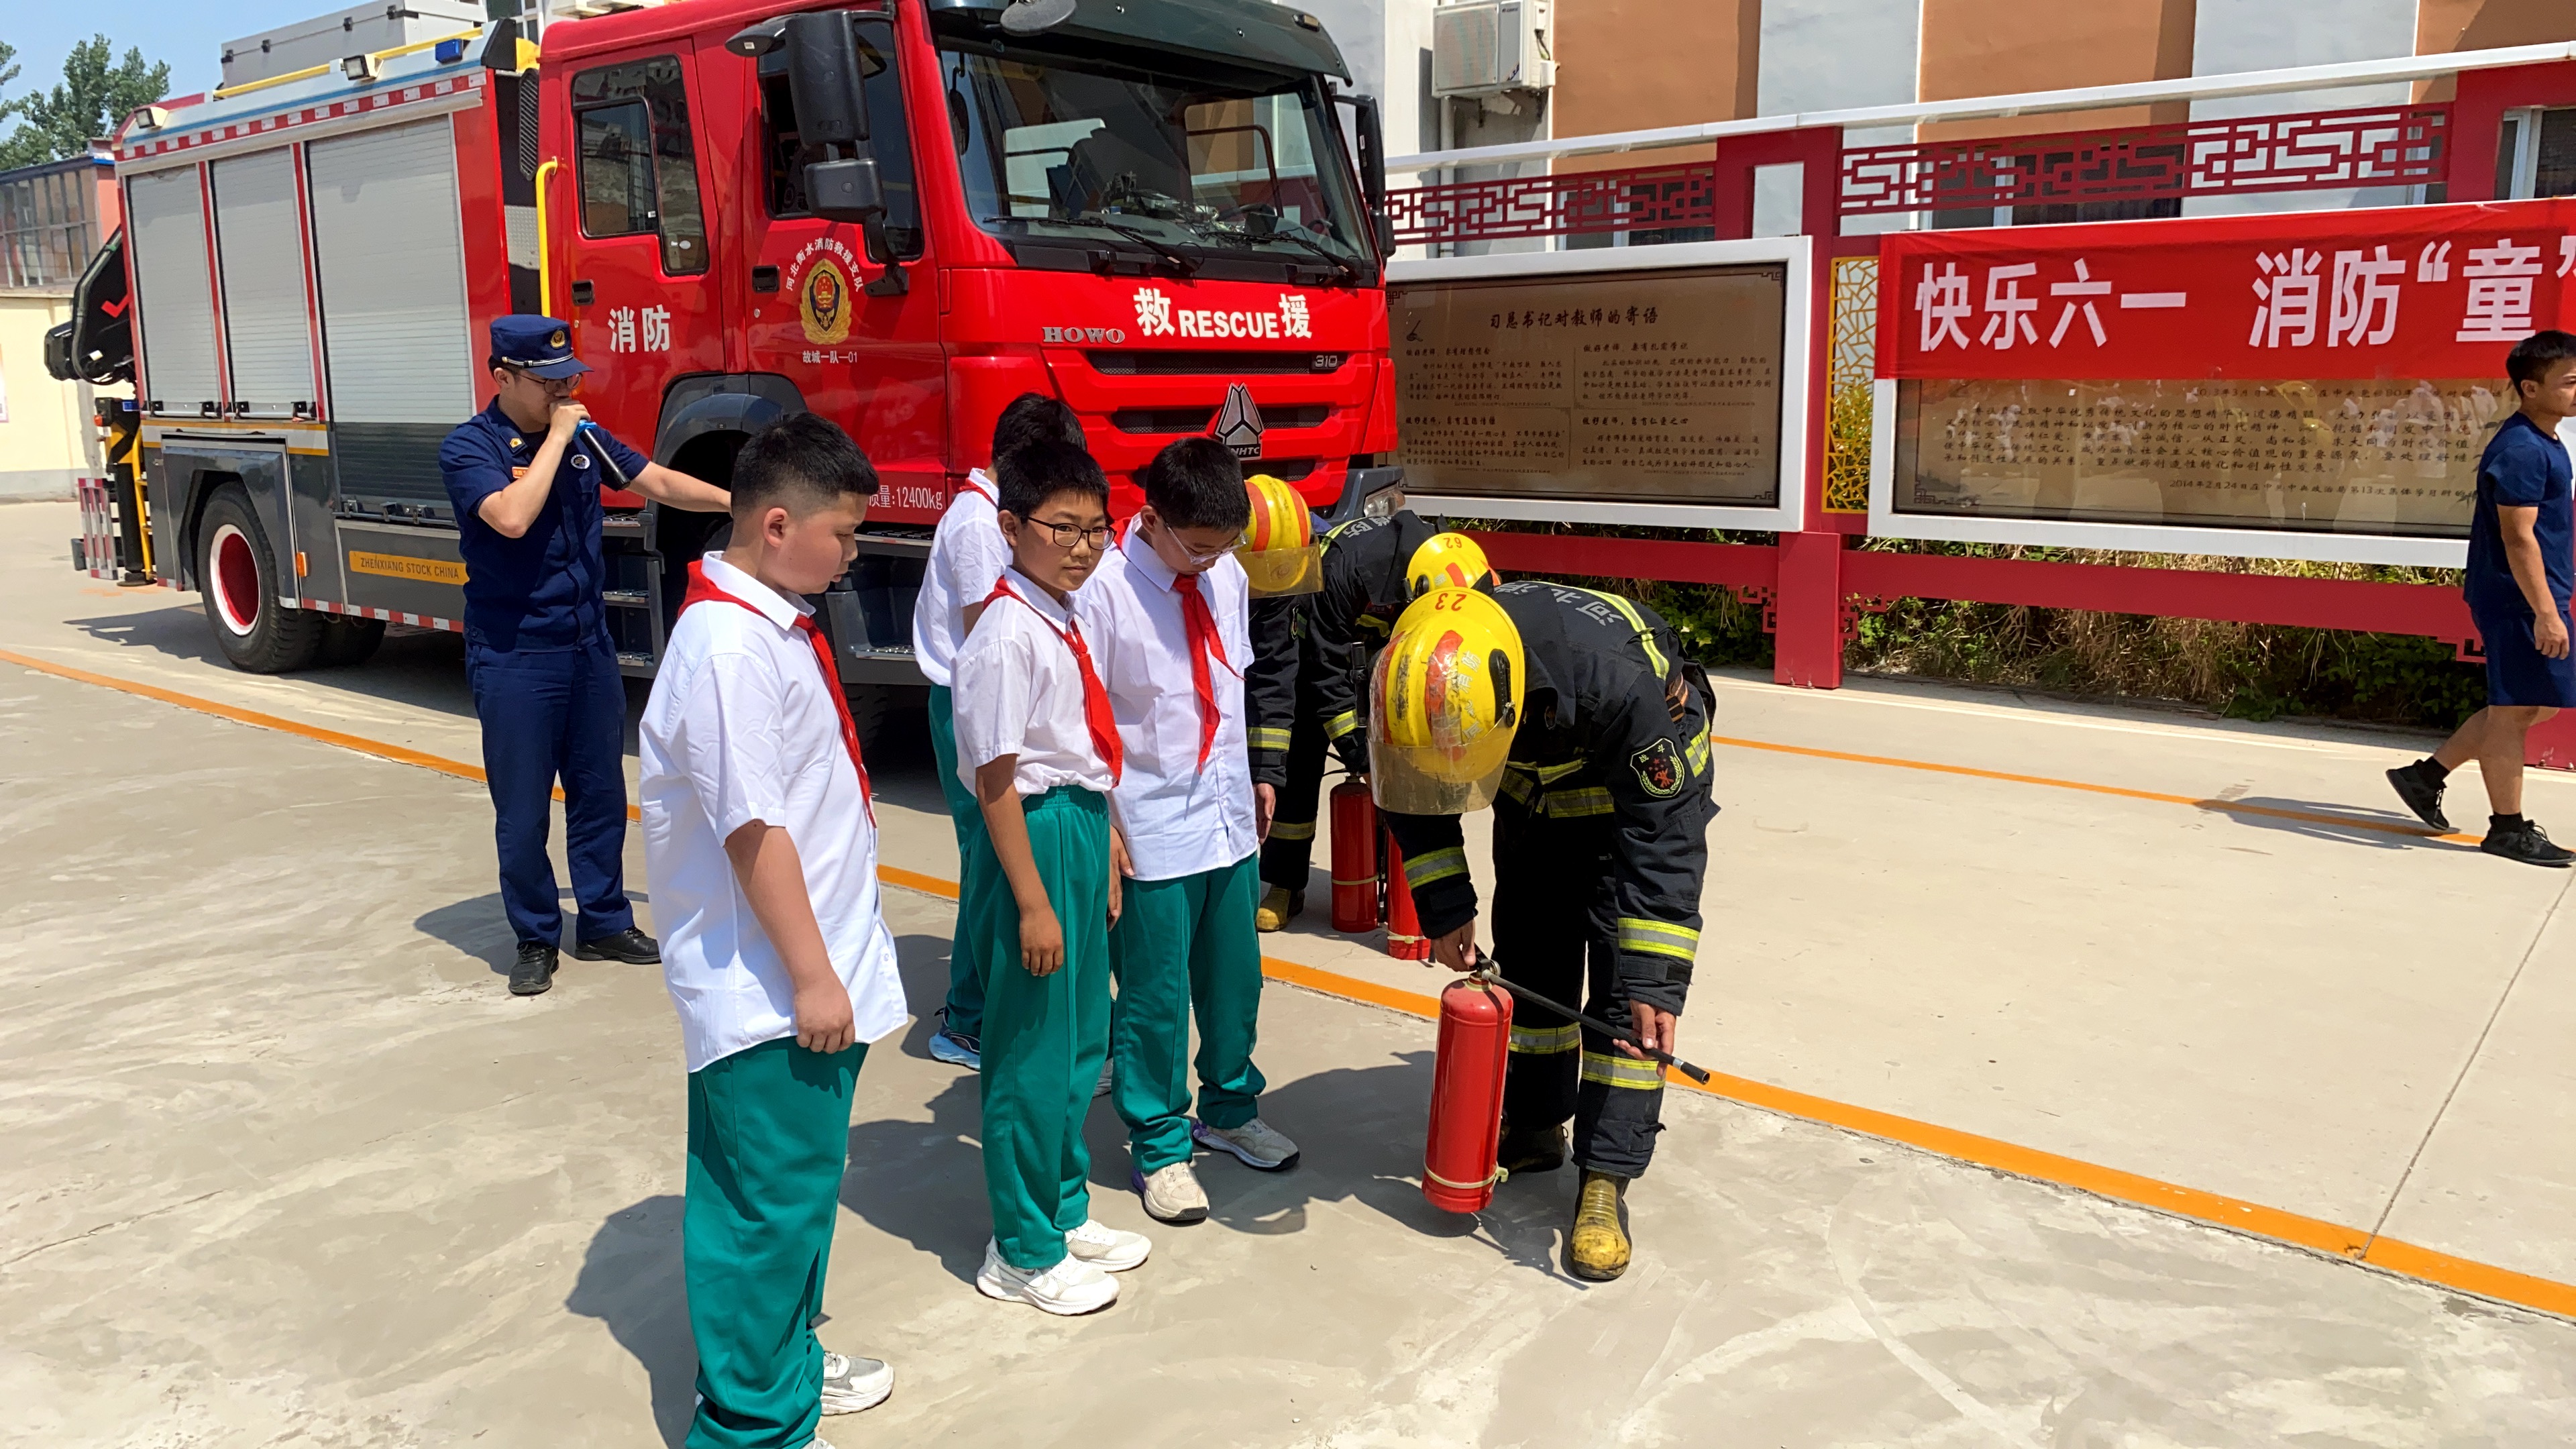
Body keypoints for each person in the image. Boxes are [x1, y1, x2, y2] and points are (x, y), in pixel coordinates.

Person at [637, 414, 908, 1448]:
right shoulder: (729, 651)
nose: (853, 554)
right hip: (771, 990)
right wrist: (812, 977)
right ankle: (752, 1425)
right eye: (844, 534)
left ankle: (781, 1365)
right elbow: (753, 830)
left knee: (790, 1197)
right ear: (779, 525)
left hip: (803, 972)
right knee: (767, 1208)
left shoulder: (770, 624)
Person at [1375, 580, 1716, 1281]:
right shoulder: (1413, 675)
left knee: (1625, 1001)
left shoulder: (1615, 684)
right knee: (1531, 957)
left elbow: (1664, 838)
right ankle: (1535, 1126)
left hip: (1636, 808)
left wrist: (1657, 980)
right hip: (1535, 801)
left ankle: (1605, 1177)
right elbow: (1412, 788)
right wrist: (1445, 901)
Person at [437, 315, 729, 996]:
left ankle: (603, 921)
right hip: (515, 652)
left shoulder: (583, 438)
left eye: (569, 378)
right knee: (523, 809)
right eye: (549, 382)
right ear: (503, 377)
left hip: (587, 645)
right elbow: (511, 517)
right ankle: (536, 936)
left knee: (599, 794)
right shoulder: (470, 447)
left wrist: (736, 502)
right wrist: (559, 439)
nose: (565, 391)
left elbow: (655, 480)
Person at [951, 438, 1150, 1314]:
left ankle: (1062, 1208)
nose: (1081, 546)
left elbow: (1078, 748)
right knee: (1030, 1051)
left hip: (1075, 823)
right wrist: (1033, 902)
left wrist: (1103, 843)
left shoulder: (1060, 613)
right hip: (1029, 836)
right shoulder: (1003, 634)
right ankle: (1022, 1249)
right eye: (1060, 528)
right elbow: (996, 779)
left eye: (1095, 529)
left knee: (1078, 1040)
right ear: (1010, 527)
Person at [1085, 439, 1302, 1226]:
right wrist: (1106, 823)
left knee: (1234, 983)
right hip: (1149, 828)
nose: (1212, 562)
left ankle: (1230, 1109)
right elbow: (1084, 718)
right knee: (1155, 1001)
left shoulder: (1227, 577)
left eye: (1224, 546)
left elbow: (1239, 683)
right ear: (1150, 520)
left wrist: (1261, 773)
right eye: (1199, 547)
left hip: (1226, 820)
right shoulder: (1104, 593)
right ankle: (1159, 1144)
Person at [914, 393, 1091, 1069]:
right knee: (991, 865)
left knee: (995, 862)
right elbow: (982, 629)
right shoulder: (980, 525)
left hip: (998, 704)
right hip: (979, 708)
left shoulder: (994, 516)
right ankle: (967, 1019)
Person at [2387, 329, 2576, 867]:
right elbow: (2519, 538)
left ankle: (2426, 776)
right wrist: (2545, 612)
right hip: (2518, 600)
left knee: (2529, 705)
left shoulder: (2546, 440)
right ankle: (2507, 828)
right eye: (2569, 382)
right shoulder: (2522, 450)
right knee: (2515, 712)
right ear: (2530, 388)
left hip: (2534, 596)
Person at [1254, 516, 1496, 930]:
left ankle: (1399, 889)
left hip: (1390, 660)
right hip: (1318, 655)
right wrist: (1361, 758)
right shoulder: (1342, 573)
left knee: (1407, 772)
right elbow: (1326, 673)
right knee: (1300, 761)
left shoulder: (1446, 563)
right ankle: (1285, 883)